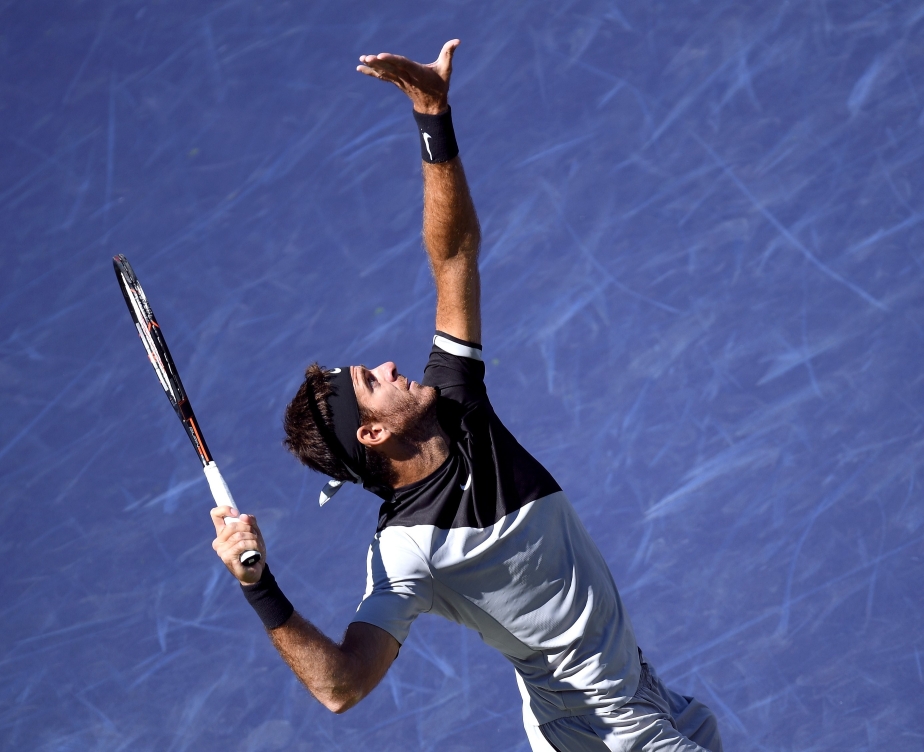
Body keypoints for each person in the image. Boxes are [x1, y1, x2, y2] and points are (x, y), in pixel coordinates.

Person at [210, 39, 724, 752]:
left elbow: (453, 256)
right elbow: (340, 687)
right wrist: (257, 584)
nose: (390, 365)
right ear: (371, 434)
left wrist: (432, 114)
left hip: (644, 699)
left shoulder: (456, 403)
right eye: (370, 382)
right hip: (609, 738)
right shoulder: (407, 551)